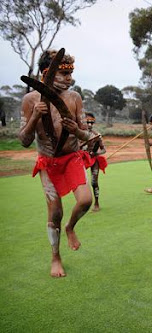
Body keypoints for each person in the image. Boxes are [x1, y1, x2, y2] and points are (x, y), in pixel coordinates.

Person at [19, 49, 94, 278]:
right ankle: (56, 257)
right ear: (47, 73)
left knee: (85, 200)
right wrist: (34, 118)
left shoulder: (74, 98)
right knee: (55, 213)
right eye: (64, 73)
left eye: (71, 73)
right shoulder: (30, 100)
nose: (70, 78)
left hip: (72, 158)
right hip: (48, 163)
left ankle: (71, 227)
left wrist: (77, 130)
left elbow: (86, 136)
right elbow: (24, 141)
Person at [82, 112, 107, 211]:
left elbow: (104, 149)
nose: (89, 125)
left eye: (92, 123)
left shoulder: (97, 135)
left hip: (93, 159)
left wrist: (96, 153)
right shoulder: (78, 133)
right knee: (81, 183)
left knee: (94, 182)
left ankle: (96, 203)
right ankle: (82, 202)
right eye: (87, 122)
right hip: (81, 160)